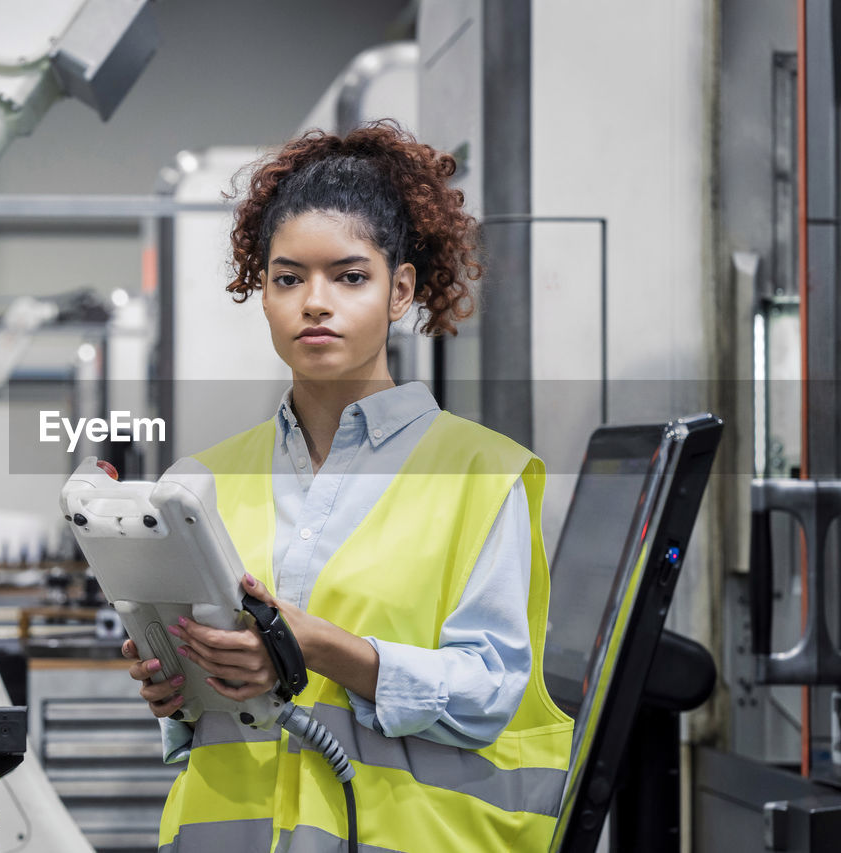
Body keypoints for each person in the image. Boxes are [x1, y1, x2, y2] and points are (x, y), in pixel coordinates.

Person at [122, 121, 574, 852]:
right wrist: (175, 682)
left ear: (400, 290)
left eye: (350, 275)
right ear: (260, 292)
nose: (315, 301)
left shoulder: (479, 476)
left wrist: (318, 647)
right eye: (288, 277)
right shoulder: (197, 484)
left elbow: (489, 692)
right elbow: (200, 719)